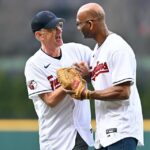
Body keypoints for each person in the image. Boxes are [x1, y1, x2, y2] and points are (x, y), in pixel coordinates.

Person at [74, 3, 144, 150]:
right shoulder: (97, 51)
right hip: (105, 133)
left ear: (91, 24)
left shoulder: (117, 47)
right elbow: (105, 84)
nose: (78, 28)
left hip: (121, 130)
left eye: (79, 24)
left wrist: (87, 94)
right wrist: (88, 77)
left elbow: (123, 91)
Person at [24, 10, 94, 150]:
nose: (59, 30)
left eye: (59, 25)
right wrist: (68, 84)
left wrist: (87, 73)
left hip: (82, 133)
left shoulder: (77, 50)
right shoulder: (34, 64)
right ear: (39, 35)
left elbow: (100, 70)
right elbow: (50, 100)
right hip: (56, 140)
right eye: (52, 28)